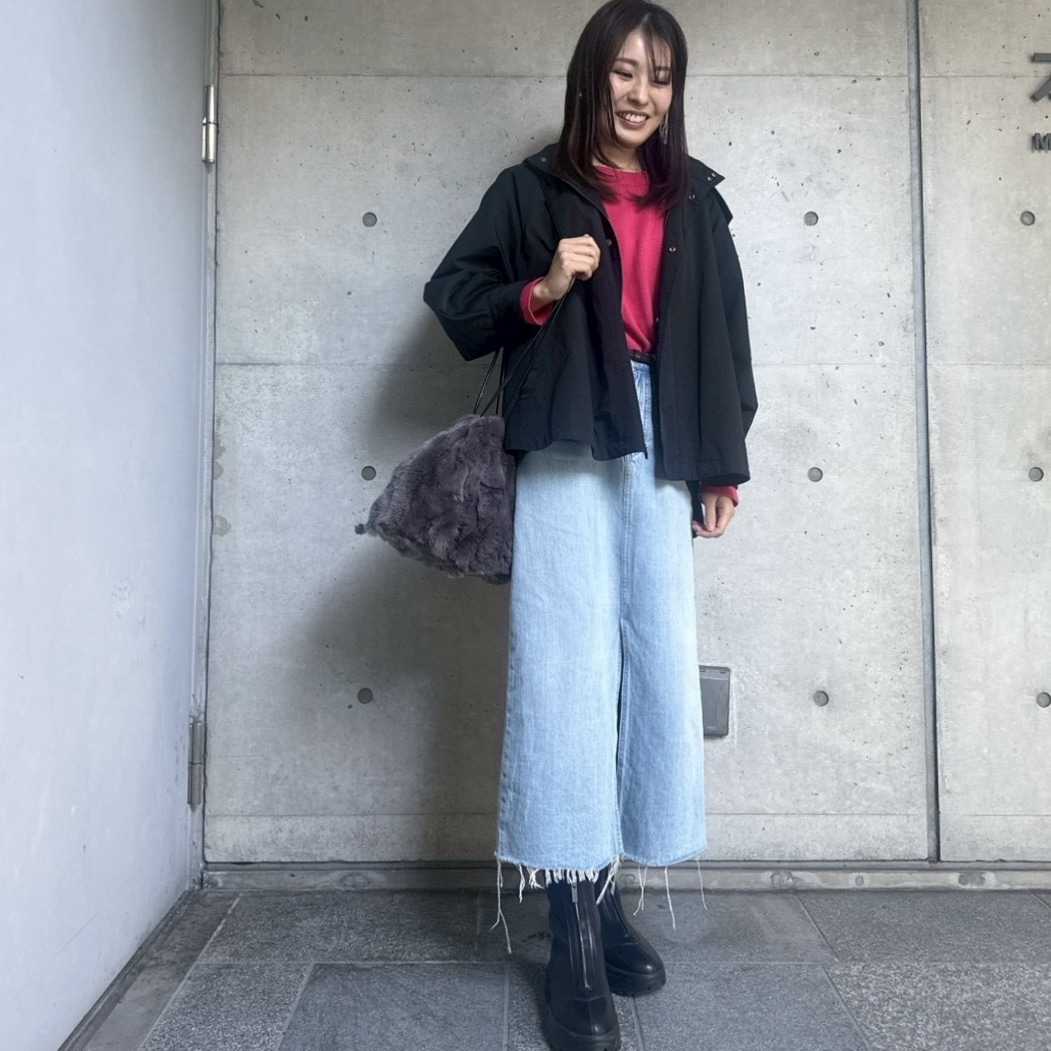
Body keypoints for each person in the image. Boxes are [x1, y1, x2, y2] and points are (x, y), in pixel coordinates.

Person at [424, 1, 756, 1047]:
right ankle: (567, 927)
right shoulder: (531, 190)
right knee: (565, 669)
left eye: (659, 75)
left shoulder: (695, 199)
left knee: (647, 664)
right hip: (569, 430)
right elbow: (453, 296)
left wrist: (721, 462)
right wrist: (541, 287)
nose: (640, 93)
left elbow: (726, 337)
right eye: (623, 71)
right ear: (590, 77)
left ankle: (604, 893)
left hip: (666, 439)